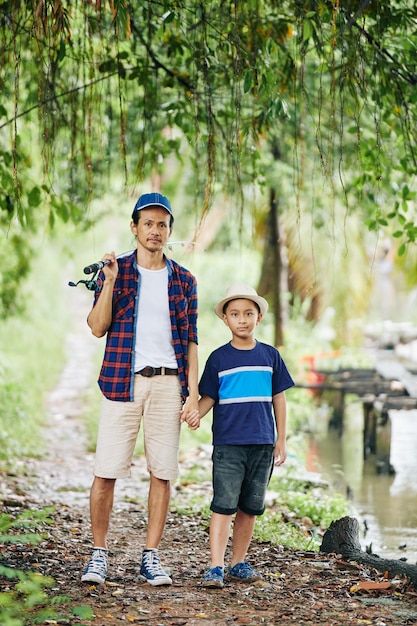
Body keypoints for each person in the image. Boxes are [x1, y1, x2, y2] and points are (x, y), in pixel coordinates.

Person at [81, 192, 199, 586]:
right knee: (106, 470)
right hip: (122, 381)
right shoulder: (115, 271)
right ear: (135, 228)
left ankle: (151, 555)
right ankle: (99, 554)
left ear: (169, 231)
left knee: (162, 471)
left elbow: (192, 340)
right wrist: (111, 282)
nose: (154, 230)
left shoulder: (184, 280)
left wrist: (193, 393)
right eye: (147, 223)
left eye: (162, 224)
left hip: (169, 383)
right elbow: (97, 327)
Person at [184, 282, 294, 588]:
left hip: (261, 445)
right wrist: (195, 414)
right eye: (235, 314)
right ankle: (216, 566)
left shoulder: (270, 356)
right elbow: (208, 397)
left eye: (248, 313)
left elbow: (280, 399)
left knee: (250, 506)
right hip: (229, 445)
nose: (242, 319)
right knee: (224, 504)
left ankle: (238, 563)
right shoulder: (218, 359)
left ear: (258, 317)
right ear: (225, 319)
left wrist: (281, 439)